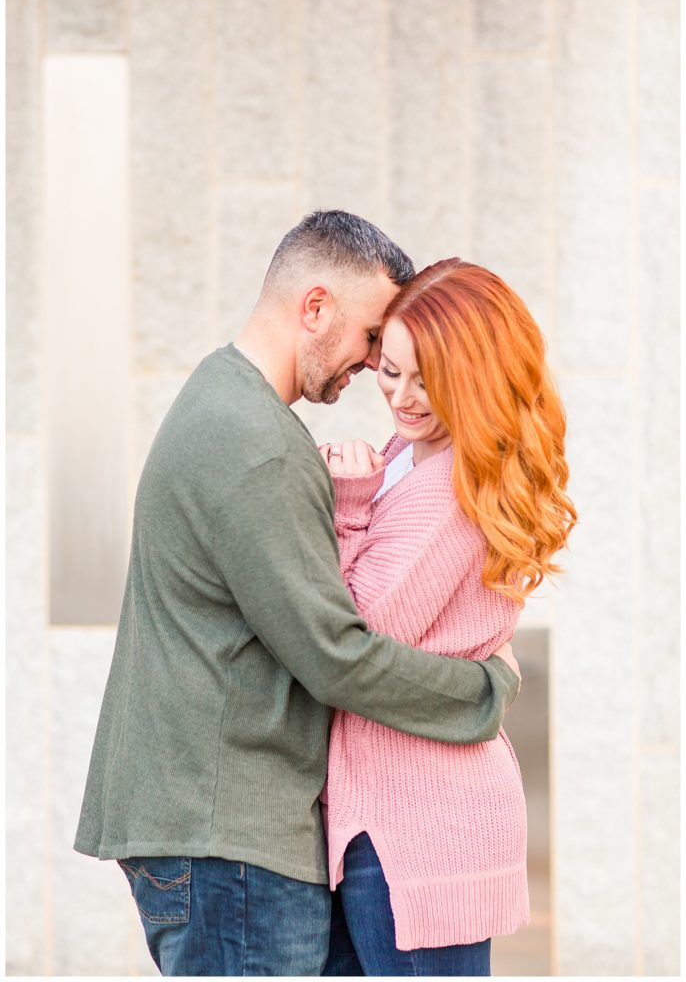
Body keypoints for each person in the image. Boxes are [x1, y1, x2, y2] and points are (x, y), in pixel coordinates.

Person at [74, 212, 521, 977]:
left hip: (218, 831)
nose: (375, 364)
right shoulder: (259, 447)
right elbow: (338, 653)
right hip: (230, 838)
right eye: (374, 337)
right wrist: (485, 689)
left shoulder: (221, 401)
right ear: (314, 307)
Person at [320, 257, 577, 977]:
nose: (402, 395)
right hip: (411, 815)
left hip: (417, 830)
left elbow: (352, 634)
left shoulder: (450, 486)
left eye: (428, 378)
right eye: (390, 368)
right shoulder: (417, 452)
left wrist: (348, 504)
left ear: (473, 373)